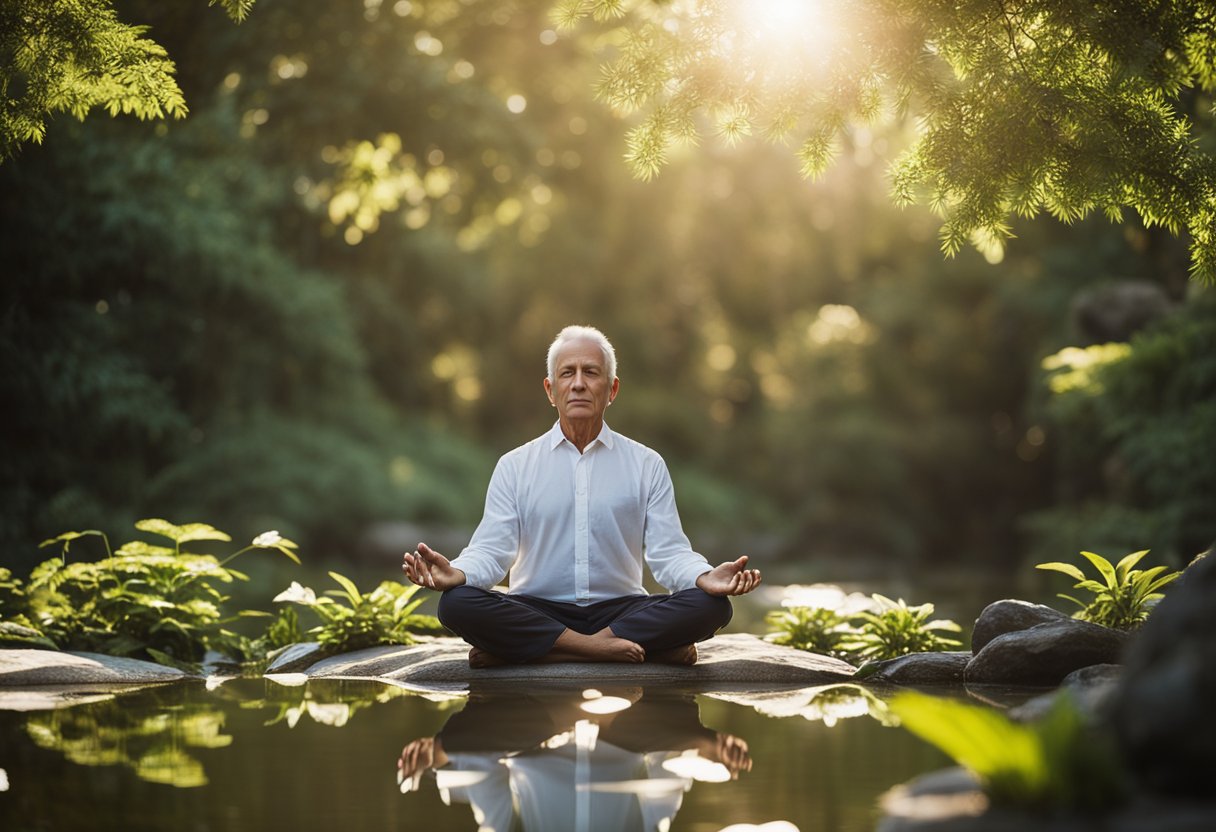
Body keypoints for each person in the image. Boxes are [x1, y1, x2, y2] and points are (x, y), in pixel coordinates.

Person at [401, 325, 761, 667]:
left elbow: (669, 554)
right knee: (456, 604)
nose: (578, 384)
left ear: (612, 389)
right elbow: (493, 552)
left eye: (590, 372)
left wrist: (705, 577)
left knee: (713, 607)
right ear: (550, 389)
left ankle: (545, 652)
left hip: (621, 611)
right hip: (537, 608)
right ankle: (597, 649)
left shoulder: (646, 464)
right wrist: (458, 573)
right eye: (567, 373)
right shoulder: (514, 465)